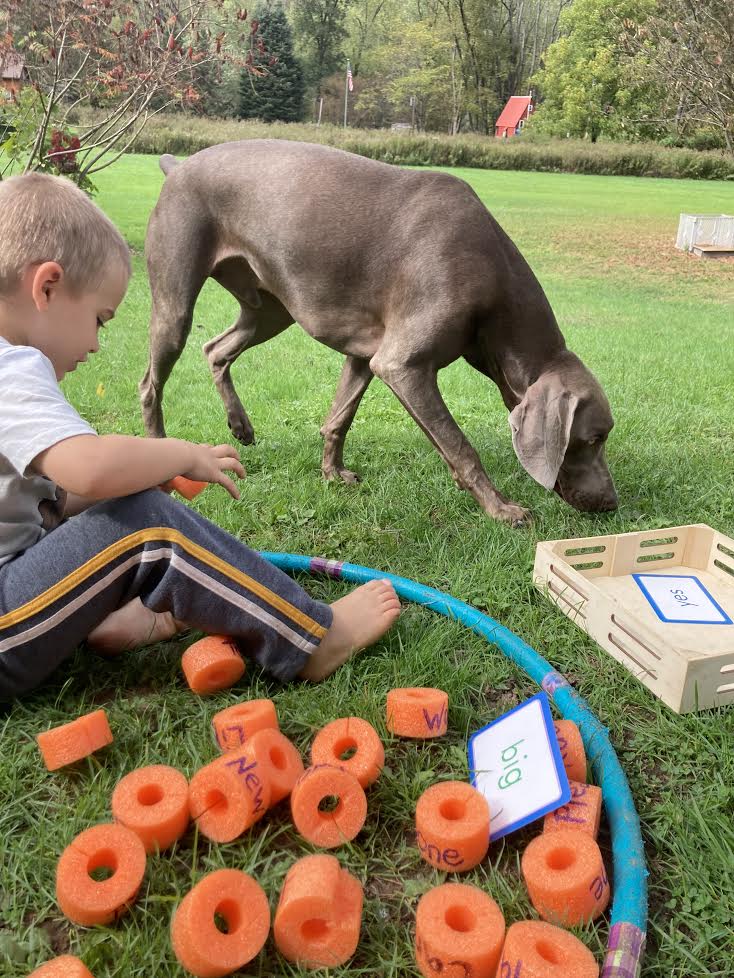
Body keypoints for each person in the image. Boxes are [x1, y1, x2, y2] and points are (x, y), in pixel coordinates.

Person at [0, 172, 400, 701]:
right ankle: (310, 639)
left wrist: (137, 477)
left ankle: (112, 617)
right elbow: (89, 468)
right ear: (47, 287)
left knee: (123, 504)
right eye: (99, 319)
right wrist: (178, 454)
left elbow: (42, 499)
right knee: (145, 523)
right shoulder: (10, 367)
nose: (96, 344)